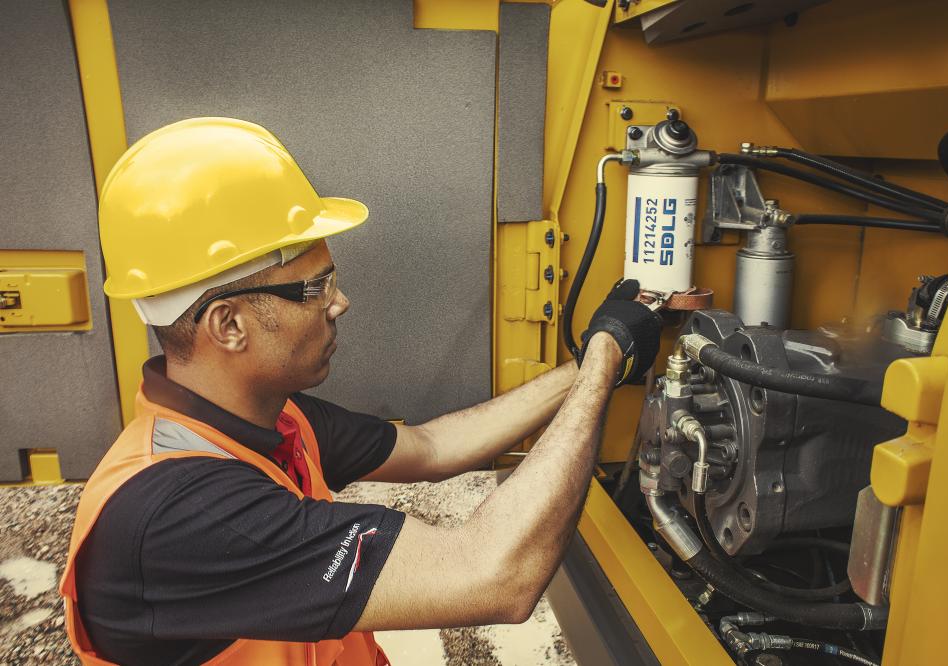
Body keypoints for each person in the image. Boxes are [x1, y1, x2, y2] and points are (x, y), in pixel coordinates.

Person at [59, 117, 662, 666]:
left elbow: (430, 447)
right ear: (229, 325)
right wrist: (606, 361)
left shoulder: (269, 420)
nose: (339, 303)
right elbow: (495, 575)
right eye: (315, 287)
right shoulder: (175, 517)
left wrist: (586, 363)